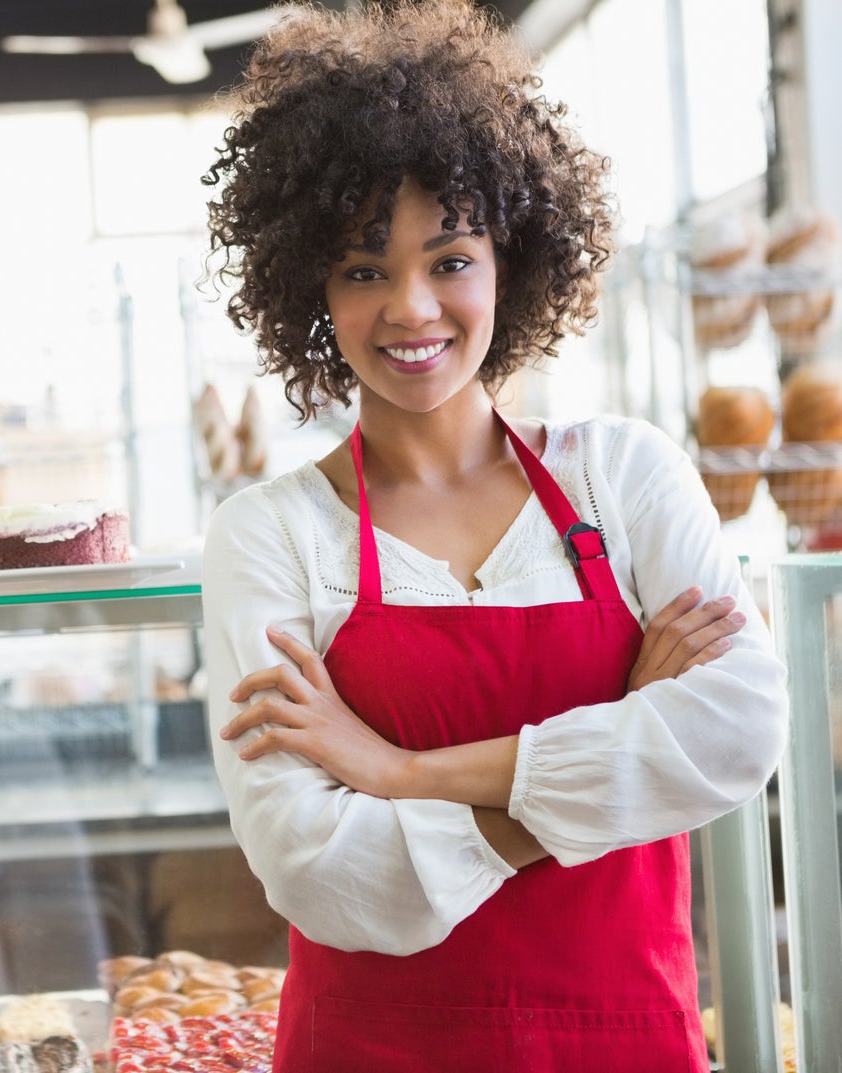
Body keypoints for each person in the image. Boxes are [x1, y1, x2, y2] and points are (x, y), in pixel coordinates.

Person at [198, 3, 788, 1070]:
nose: (412, 308)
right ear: (310, 290)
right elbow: (318, 870)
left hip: (625, 1042)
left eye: (451, 256)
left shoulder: (627, 474)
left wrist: (399, 772)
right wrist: (619, 735)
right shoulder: (269, 535)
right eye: (364, 268)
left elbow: (738, 731)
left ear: (512, 258)